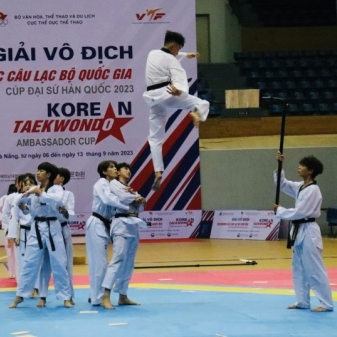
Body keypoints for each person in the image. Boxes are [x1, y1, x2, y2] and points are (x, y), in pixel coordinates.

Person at [142, 30, 209, 191]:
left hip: (152, 98)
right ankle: (194, 111)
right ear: (173, 46)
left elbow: (165, 58)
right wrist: (180, 91)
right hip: (169, 94)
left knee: (155, 139)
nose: (178, 52)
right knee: (203, 103)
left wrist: (186, 55)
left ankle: (158, 171)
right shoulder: (172, 61)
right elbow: (178, 74)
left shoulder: (153, 54)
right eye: (178, 49)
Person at [274, 152, 333, 312]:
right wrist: (280, 166)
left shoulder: (313, 190)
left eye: (303, 165)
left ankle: (326, 303)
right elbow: (283, 184)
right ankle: (302, 301)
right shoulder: (301, 187)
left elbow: (301, 212)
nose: (299, 167)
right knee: (298, 267)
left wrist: (281, 211)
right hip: (298, 231)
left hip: (308, 230)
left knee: (314, 268)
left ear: (311, 170)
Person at [9, 162, 72, 308]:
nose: (37, 173)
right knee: (30, 262)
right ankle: (20, 295)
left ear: (48, 174)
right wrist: (24, 204)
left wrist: (40, 193)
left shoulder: (56, 189)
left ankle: (65, 297)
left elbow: (56, 200)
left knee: (59, 263)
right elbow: (23, 204)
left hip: (53, 227)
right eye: (37, 171)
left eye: (41, 171)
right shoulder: (33, 188)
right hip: (36, 227)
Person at [86, 160, 130, 308]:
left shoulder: (113, 186)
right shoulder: (101, 183)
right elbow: (107, 199)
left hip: (105, 224)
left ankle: (95, 295)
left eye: (116, 167)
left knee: (100, 263)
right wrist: (126, 205)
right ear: (104, 172)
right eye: (111, 167)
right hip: (97, 222)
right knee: (100, 263)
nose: (115, 169)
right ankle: (98, 297)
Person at [101, 162, 146, 309]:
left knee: (129, 262)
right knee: (118, 259)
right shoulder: (114, 183)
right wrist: (135, 197)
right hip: (120, 223)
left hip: (133, 223)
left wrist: (139, 200)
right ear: (118, 172)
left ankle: (123, 295)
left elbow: (140, 206)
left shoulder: (130, 189)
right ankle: (105, 295)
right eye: (125, 169)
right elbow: (123, 197)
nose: (128, 171)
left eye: (130, 170)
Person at [36, 167, 76, 305]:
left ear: (62, 179)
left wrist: (64, 211)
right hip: (45, 228)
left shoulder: (67, 194)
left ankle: (67, 296)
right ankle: (43, 296)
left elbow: (69, 213)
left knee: (63, 264)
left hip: (61, 229)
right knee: (44, 264)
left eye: (55, 175)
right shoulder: (42, 190)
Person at [0, 182, 19, 278]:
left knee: (13, 251)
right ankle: (13, 272)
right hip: (8, 225)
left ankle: (15, 272)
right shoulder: (6, 198)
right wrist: (1, 219)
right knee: (10, 250)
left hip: (16, 225)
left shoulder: (20, 197)